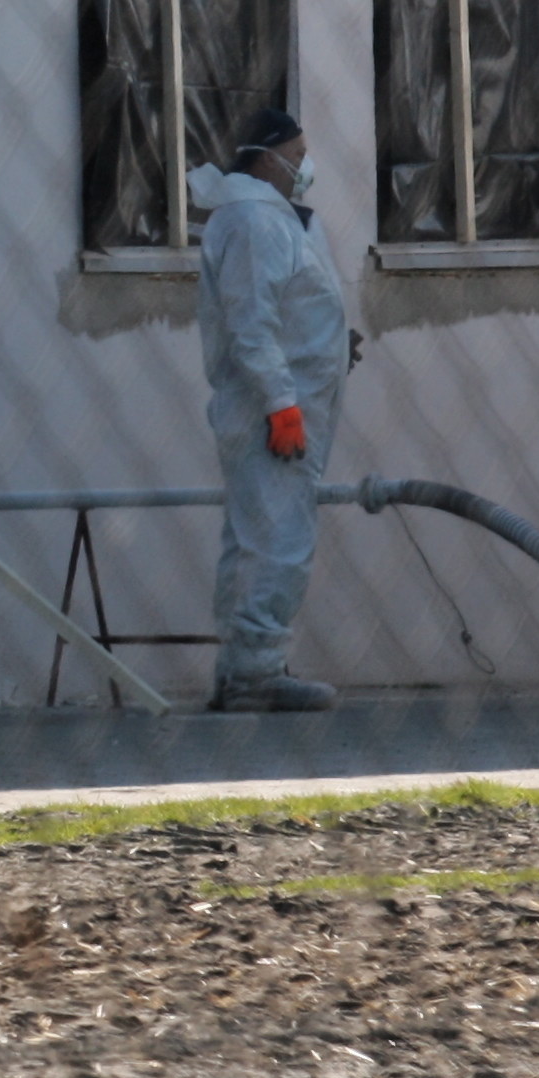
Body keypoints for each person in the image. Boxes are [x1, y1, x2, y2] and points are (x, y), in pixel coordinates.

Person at [193, 105, 352, 712]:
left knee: (256, 536)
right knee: (279, 538)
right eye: (297, 151)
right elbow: (252, 326)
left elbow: (289, 304)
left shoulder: (272, 220)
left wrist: (337, 343)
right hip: (275, 414)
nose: (304, 164)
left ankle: (244, 667)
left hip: (286, 406)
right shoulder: (256, 222)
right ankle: (255, 670)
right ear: (267, 157)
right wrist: (282, 406)